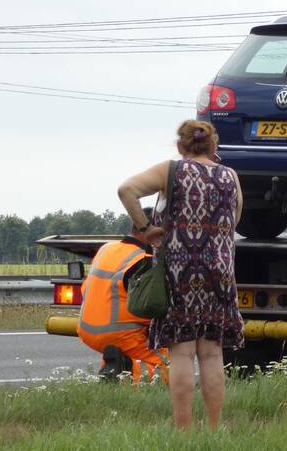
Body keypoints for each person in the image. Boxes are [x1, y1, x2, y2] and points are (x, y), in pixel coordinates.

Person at [117, 119, 244, 430]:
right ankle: (214, 429)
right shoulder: (230, 177)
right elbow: (235, 218)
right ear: (213, 146)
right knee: (212, 354)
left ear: (180, 146)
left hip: (178, 270)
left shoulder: (171, 171)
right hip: (220, 272)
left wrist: (146, 230)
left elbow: (127, 190)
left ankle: (184, 432)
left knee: (183, 353)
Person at [78, 208, 168, 383]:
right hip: (120, 333)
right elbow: (149, 307)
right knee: (169, 366)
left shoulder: (107, 248)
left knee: (122, 350)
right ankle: (129, 376)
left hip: (87, 329)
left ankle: (114, 366)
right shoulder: (144, 260)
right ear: (152, 230)